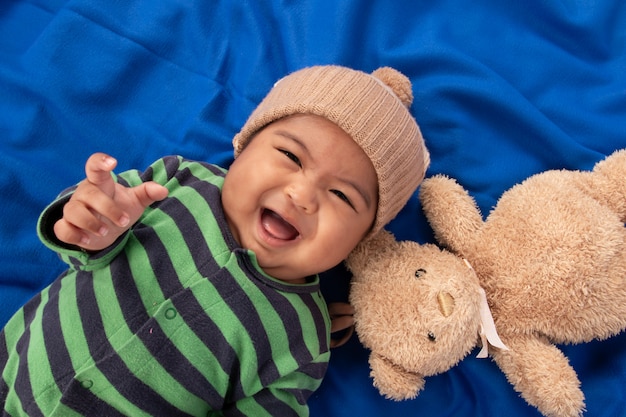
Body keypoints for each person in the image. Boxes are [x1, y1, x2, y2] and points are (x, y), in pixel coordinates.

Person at [0, 65, 430, 417]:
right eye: (290, 157)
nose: (302, 196)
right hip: (11, 365)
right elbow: (91, 224)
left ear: (357, 242)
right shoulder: (177, 182)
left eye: (341, 196)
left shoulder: (303, 339)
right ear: (243, 148)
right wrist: (90, 221)